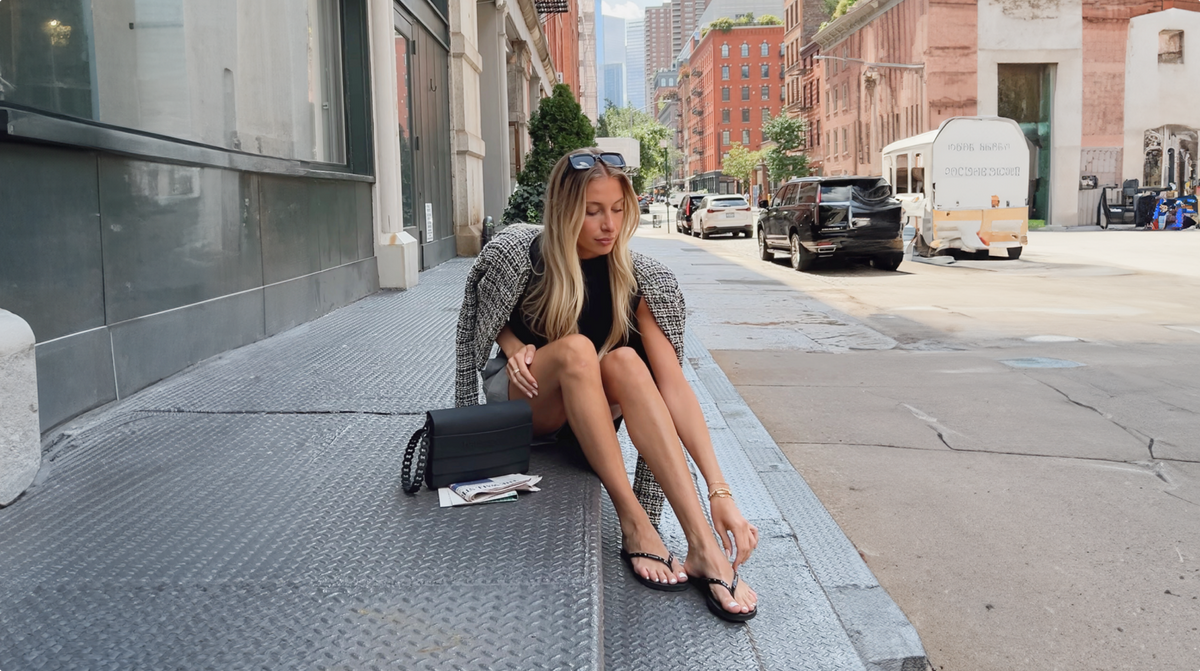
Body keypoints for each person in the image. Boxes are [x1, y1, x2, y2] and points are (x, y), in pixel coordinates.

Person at [456, 149, 759, 622]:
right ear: (564, 211)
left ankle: (701, 545)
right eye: (592, 211)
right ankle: (633, 519)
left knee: (627, 362)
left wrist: (721, 491)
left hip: (588, 413)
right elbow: (482, 304)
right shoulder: (525, 256)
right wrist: (512, 343)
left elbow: (673, 388)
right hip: (527, 404)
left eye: (618, 210)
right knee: (576, 349)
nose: (608, 225)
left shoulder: (637, 280)